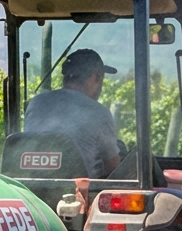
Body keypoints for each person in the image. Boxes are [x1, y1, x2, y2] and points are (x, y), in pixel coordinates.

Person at [24, 48, 121, 178]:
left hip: (31, 188)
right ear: (96, 77)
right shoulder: (98, 112)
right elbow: (114, 169)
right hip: (80, 194)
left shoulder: (36, 103)